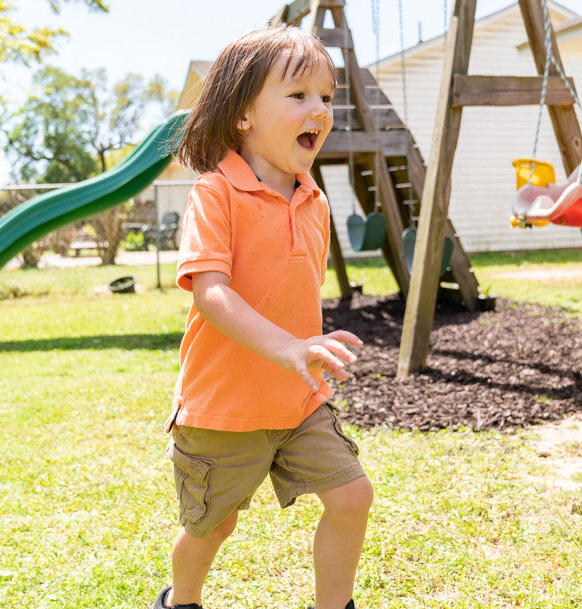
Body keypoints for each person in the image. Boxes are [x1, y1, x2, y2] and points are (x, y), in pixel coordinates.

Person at [150, 25, 371, 609]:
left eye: (327, 96)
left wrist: (309, 348)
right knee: (211, 528)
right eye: (299, 95)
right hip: (222, 409)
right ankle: (181, 602)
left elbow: (297, 289)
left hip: (298, 399)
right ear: (243, 114)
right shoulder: (215, 191)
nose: (319, 110)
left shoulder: (314, 198)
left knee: (351, 497)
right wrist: (289, 347)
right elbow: (211, 293)